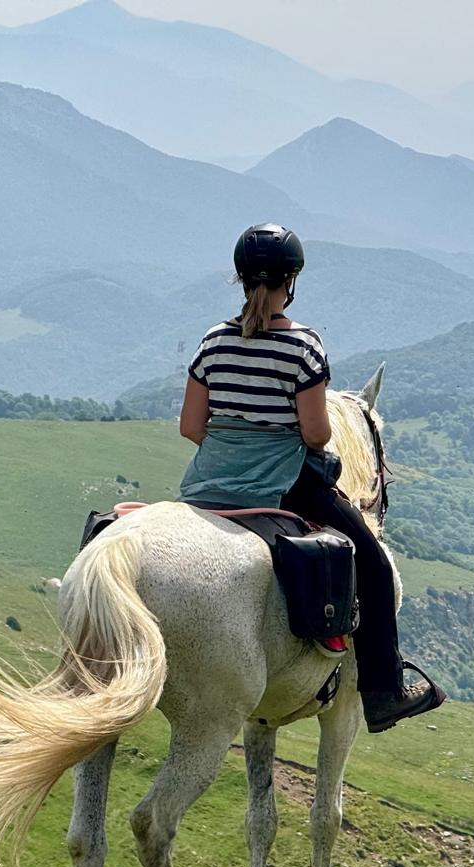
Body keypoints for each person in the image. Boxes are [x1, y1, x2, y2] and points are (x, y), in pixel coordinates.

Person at [179, 223, 444, 732]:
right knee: (373, 563)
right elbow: (318, 434)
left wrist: (233, 449)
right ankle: (385, 691)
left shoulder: (212, 341)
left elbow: (192, 426)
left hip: (207, 483)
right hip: (284, 482)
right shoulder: (302, 345)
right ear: (291, 280)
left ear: (239, 278)